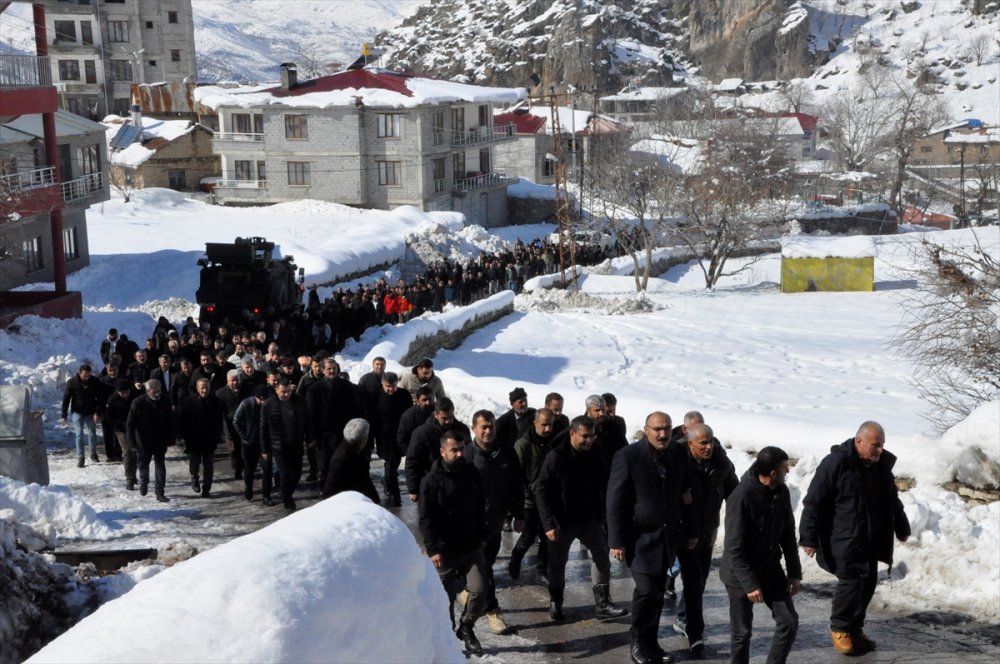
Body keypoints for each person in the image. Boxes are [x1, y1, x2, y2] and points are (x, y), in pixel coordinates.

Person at [799, 421, 911, 656]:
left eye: (882, 445)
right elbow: (814, 501)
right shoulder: (836, 463)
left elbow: (892, 500)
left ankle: (855, 629)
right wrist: (808, 537)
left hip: (870, 538)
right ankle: (840, 629)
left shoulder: (880, 467)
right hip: (842, 537)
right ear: (859, 441)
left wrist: (901, 526)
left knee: (868, 583)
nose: (880, 450)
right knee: (850, 583)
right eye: (875, 445)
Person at [607, 412, 694, 664]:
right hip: (638, 538)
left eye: (666, 428)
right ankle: (636, 641)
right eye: (657, 429)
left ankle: (651, 642)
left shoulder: (679, 453)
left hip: (667, 537)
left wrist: (690, 531)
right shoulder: (628, 456)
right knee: (646, 591)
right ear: (646, 430)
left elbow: (685, 493)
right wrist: (615, 541)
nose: (662, 434)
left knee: (657, 592)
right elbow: (614, 500)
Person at [535, 415, 628, 622]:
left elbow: (604, 483)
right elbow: (541, 490)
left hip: (589, 518)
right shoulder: (556, 456)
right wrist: (548, 523)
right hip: (562, 521)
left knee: (602, 557)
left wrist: (604, 515)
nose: (589, 440)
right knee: (557, 563)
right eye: (584, 436)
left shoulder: (596, 452)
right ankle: (556, 600)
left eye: (592, 436)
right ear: (572, 434)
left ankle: (603, 603)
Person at [720, 446, 801, 664]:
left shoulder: (781, 492)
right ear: (773, 473)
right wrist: (750, 584)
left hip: (769, 569)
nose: (788, 472)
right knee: (742, 633)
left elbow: (788, 535)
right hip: (740, 575)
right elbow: (734, 548)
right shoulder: (741, 497)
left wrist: (794, 573)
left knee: (789, 621)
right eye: (784, 468)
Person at [418, 430, 489, 656]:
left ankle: (466, 627)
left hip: (471, 545)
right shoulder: (430, 482)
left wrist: (482, 535)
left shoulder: (471, 473)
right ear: (442, 452)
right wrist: (433, 549)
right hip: (445, 550)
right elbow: (425, 519)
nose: (459, 454)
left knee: (480, 590)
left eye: (461, 449)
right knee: (444, 600)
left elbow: (480, 506)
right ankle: (447, 641)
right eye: (454, 450)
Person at [674, 423, 737, 658]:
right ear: (690, 444)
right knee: (693, 582)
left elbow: (735, 494)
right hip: (683, 535)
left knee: (698, 582)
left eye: (710, 442)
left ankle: (684, 619)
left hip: (707, 533)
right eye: (703, 443)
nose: (708, 447)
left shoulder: (721, 464)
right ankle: (695, 634)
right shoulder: (678, 463)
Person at [466, 410, 524, 635]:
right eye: (483, 427)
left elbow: (515, 485)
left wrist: (518, 514)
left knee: (485, 564)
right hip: (471, 524)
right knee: (483, 568)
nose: (488, 431)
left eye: (491, 426)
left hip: (494, 522)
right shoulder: (465, 454)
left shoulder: (505, 453)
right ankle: (492, 610)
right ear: (474, 428)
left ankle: (472, 591)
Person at [510, 407, 556, 585]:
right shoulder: (523, 445)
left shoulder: (553, 443)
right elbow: (516, 476)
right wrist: (525, 496)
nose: (547, 429)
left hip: (548, 500)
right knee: (528, 536)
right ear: (535, 423)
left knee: (548, 537)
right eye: (544, 425)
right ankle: (516, 557)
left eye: (550, 425)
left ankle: (542, 570)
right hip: (529, 501)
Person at [405, 397, 471, 501]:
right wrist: (413, 488)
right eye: (444, 418)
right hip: (432, 484)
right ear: (436, 415)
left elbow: (470, 455)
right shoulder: (422, 433)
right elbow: (412, 460)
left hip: (458, 482)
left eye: (451, 417)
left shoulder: (462, 430)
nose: (448, 421)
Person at [260, 378, 308, 513]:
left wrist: (310, 437)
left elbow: (306, 420)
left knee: (297, 474)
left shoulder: (299, 401)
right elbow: (263, 428)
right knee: (285, 473)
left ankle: (286, 492)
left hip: (296, 444)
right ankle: (287, 501)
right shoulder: (269, 404)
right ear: (276, 390)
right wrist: (265, 449)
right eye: (283, 392)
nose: (286, 394)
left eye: (288, 391)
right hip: (279, 446)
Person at [126, 379, 175, 502]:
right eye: (154, 392)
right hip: (143, 441)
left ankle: (160, 492)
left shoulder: (165, 400)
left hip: (160, 439)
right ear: (147, 391)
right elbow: (130, 424)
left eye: (159, 391)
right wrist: (132, 443)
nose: (157, 394)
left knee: (160, 466)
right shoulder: (138, 402)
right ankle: (144, 482)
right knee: (143, 465)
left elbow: (171, 420)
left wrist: (171, 437)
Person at [371, 371, 414, 506]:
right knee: (391, 462)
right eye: (388, 386)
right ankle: (395, 493)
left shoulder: (404, 395)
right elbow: (373, 418)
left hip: (401, 435)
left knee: (394, 463)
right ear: (382, 384)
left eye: (393, 386)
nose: (391, 389)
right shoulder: (376, 396)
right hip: (384, 436)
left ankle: (389, 483)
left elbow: (410, 416)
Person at [177, 377, 224, 498]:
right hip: (194, 439)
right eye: (202, 388)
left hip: (209, 438)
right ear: (197, 388)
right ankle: (194, 478)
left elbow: (219, 420)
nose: (204, 390)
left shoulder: (215, 401)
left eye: (206, 388)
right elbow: (183, 421)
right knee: (195, 464)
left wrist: (218, 435)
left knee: (208, 466)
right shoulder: (189, 402)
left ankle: (206, 488)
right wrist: (183, 436)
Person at [322, 418, 380, 502]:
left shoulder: (354, 452)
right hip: (346, 503)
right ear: (364, 439)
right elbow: (328, 491)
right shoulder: (342, 459)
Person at [233, 385, 271, 504]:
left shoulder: (268, 404)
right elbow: (236, 421)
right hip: (249, 443)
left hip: (264, 443)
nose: (263, 402)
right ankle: (248, 489)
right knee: (249, 469)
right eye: (261, 400)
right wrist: (245, 436)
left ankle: (266, 496)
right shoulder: (246, 404)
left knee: (267, 470)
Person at [60, 364, 104, 467]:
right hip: (77, 411)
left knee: (92, 432)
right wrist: (63, 415)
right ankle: (81, 457)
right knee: (79, 433)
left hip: (91, 411)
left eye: (88, 375)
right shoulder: (72, 382)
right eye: (84, 376)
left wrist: (97, 412)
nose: (87, 378)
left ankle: (93, 453)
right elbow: (66, 399)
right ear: (79, 373)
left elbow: (100, 398)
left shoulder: (95, 381)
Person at [104, 377, 137, 490]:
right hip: (121, 429)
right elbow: (109, 417)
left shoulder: (134, 396)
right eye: (123, 393)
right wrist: (121, 424)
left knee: (135, 452)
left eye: (127, 392)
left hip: (134, 428)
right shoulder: (112, 400)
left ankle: (133, 473)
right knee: (127, 451)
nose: (125, 394)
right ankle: (129, 478)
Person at [216, 369, 248, 481]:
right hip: (229, 425)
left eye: (237, 380)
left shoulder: (246, 390)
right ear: (227, 381)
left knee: (244, 448)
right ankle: (236, 467)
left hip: (244, 423)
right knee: (233, 449)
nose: (235, 383)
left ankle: (243, 468)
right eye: (232, 380)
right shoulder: (220, 394)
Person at [495, 386, 535, 451]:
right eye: (520, 402)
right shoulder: (502, 422)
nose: (524, 404)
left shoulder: (534, 414)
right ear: (512, 404)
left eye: (525, 400)